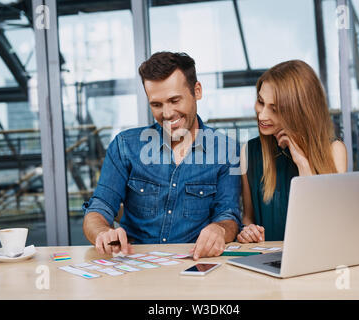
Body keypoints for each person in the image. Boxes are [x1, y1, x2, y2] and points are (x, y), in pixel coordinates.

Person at [82, 52, 241, 260]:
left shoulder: (226, 150)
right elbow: (98, 208)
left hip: (194, 264)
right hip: (135, 268)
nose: (166, 113)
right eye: (156, 104)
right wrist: (102, 233)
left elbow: (228, 216)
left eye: (174, 100)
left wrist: (219, 229)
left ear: (197, 91)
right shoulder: (125, 146)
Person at [238, 60, 347, 243]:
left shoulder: (334, 151)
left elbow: (328, 224)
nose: (262, 115)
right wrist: (247, 231)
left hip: (318, 259)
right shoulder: (249, 152)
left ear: (299, 112)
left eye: (274, 109)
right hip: (268, 260)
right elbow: (248, 218)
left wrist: (302, 162)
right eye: (260, 102)